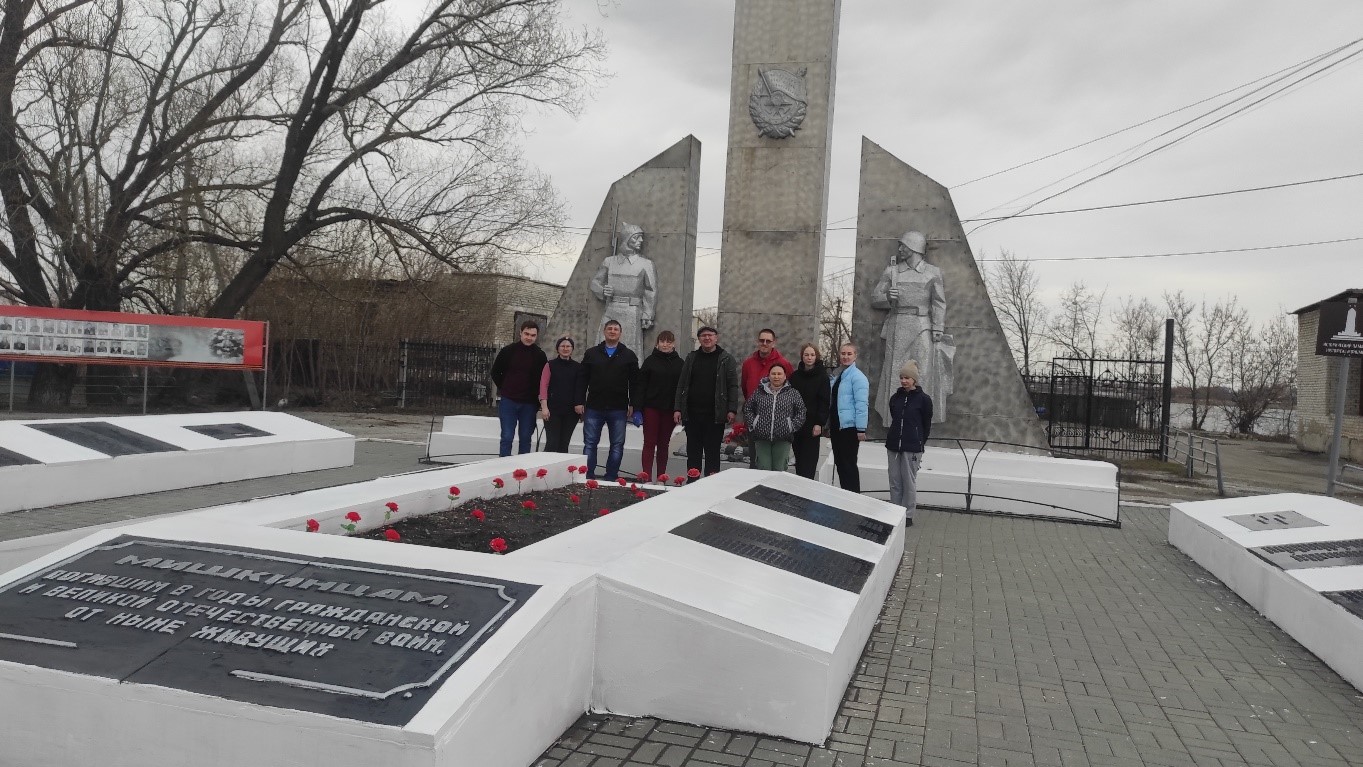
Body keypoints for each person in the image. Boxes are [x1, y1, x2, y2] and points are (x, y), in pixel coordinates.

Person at [870, 230, 950, 425]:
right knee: (896, 372)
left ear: (914, 247)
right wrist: (888, 296)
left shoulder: (933, 272)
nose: (899, 249)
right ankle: (892, 418)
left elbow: (938, 302)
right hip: (898, 324)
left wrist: (938, 327)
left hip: (923, 324)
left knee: (923, 371)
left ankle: (922, 418)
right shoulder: (892, 271)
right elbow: (875, 298)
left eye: (903, 246)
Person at [674, 326, 742, 481]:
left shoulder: (726, 359)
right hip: (692, 415)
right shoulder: (691, 358)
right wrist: (678, 408)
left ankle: (711, 485)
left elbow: (732, 385)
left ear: (716, 338)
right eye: (703, 335)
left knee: (712, 453)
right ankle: (692, 483)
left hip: (715, 416)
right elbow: (682, 384)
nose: (707, 338)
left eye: (710, 335)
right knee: (693, 453)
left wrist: (732, 409)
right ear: (699, 339)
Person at [576, 320, 639, 480]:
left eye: (616, 329)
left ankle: (611, 477)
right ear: (604, 332)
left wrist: (633, 404)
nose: (612, 331)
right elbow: (582, 379)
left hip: (618, 408)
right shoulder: (592, 353)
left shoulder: (629, 355)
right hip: (594, 407)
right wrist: (579, 401)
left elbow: (635, 382)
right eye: (609, 329)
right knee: (590, 444)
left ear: (620, 333)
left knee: (617, 445)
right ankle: (587, 476)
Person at [590, 222, 657, 355]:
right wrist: (603, 290)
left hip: (633, 311)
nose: (641, 241)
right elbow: (595, 282)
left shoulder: (646, 264)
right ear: (626, 238)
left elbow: (650, 290)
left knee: (630, 349)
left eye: (641, 237)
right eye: (636, 237)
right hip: (612, 309)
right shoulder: (609, 261)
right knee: (604, 347)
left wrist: (647, 314)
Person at [490, 320, 548, 456]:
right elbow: (495, 372)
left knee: (526, 438)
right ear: (520, 333)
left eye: (533, 335)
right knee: (507, 437)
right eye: (526, 334)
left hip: (529, 404)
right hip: (508, 401)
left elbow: (543, 380)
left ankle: (522, 469)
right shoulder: (508, 351)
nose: (529, 337)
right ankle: (504, 467)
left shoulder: (540, 355)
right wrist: (505, 388)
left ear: (536, 336)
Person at [886, 360, 933, 526]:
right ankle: (895, 511)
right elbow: (894, 416)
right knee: (895, 481)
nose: (904, 380)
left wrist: (920, 442)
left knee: (908, 481)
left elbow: (926, 424)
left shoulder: (924, 400)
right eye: (902, 377)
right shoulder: (895, 398)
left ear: (914, 380)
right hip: (893, 446)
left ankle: (908, 515)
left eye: (907, 377)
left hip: (912, 447)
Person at [743, 363, 806, 471]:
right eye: (773, 374)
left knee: (779, 471)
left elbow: (801, 411)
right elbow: (748, 408)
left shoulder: (793, 393)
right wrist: (754, 424)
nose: (776, 376)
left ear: (785, 376)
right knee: (763, 469)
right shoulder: (759, 392)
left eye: (779, 374)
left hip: (783, 438)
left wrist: (791, 426)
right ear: (769, 376)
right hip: (762, 438)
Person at [637, 330, 683, 477]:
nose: (665, 344)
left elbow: (682, 388)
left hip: (670, 410)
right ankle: (647, 477)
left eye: (668, 342)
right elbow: (641, 386)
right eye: (662, 341)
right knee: (649, 443)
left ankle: (661, 477)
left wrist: (679, 408)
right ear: (657, 344)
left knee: (664, 444)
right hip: (651, 408)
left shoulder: (680, 363)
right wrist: (638, 408)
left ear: (673, 344)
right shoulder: (650, 361)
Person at [829, 343, 869, 492]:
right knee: (840, 463)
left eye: (849, 354)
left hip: (849, 428)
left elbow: (862, 404)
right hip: (837, 427)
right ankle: (847, 496)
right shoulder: (840, 376)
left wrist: (861, 428)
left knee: (848, 464)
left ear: (855, 356)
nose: (845, 357)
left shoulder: (858, 377)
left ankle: (854, 496)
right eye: (843, 353)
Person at [789, 342, 831, 479]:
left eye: (812, 355)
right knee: (799, 461)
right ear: (802, 357)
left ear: (816, 357)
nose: (809, 357)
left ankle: (807, 489)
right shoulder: (795, 377)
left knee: (809, 462)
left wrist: (819, 423)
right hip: (796, 424)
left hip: (813, 425)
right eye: (806, 354)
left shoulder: (822, 377)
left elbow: (824, 402)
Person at [538, 336, 582, 453]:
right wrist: (544, 407)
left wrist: (580, 405)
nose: (565, 348)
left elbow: (580, 388)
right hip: (552, 411)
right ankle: (546, 470)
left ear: (572, 349)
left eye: (568, 346)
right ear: (558, 348)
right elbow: (543, 386)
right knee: (552, 442)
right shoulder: (550, 365)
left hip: (571, 412)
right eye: (562, 346)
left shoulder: (578, 367)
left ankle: (562, 471)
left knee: (564, 444)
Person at [740, 328, 794, 400]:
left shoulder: (784, 364)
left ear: (773, 343)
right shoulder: (748, 364)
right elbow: (744, 388)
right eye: (762, 340)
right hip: (751, 409)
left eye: (768, 341)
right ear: (757, 342)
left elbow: (790, 388)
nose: (764, 343)